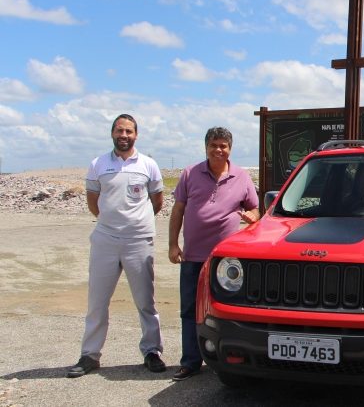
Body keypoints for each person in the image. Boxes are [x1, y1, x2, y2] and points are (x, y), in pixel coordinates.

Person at [67, 114, 166, 378]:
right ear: (112, 133)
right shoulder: (98, 164)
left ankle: (152, 352)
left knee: (146, 302)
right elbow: (93, 202)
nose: (124, 135)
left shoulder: (149, 165)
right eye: (120, 130)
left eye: (129, 131)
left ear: (136, 135)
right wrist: (113, 223)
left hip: (139, 240)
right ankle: (90, 355)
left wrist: (135, 223)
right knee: (97, 301)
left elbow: (157, 201)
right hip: (105, 240)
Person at [168, 127, 259, 382]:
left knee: (227, 310)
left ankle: (228, 358)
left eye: (223, 146)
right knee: (189, 310)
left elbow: (255, 209)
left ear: (230, 148)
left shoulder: (241, 176)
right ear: (205, 147)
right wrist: (173, 245)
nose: (218, 150)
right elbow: (178, 210)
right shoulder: (190, 173)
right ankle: (191, 362)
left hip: (226, 261)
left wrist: (252, 217)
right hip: (193, 257)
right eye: (214, 145)